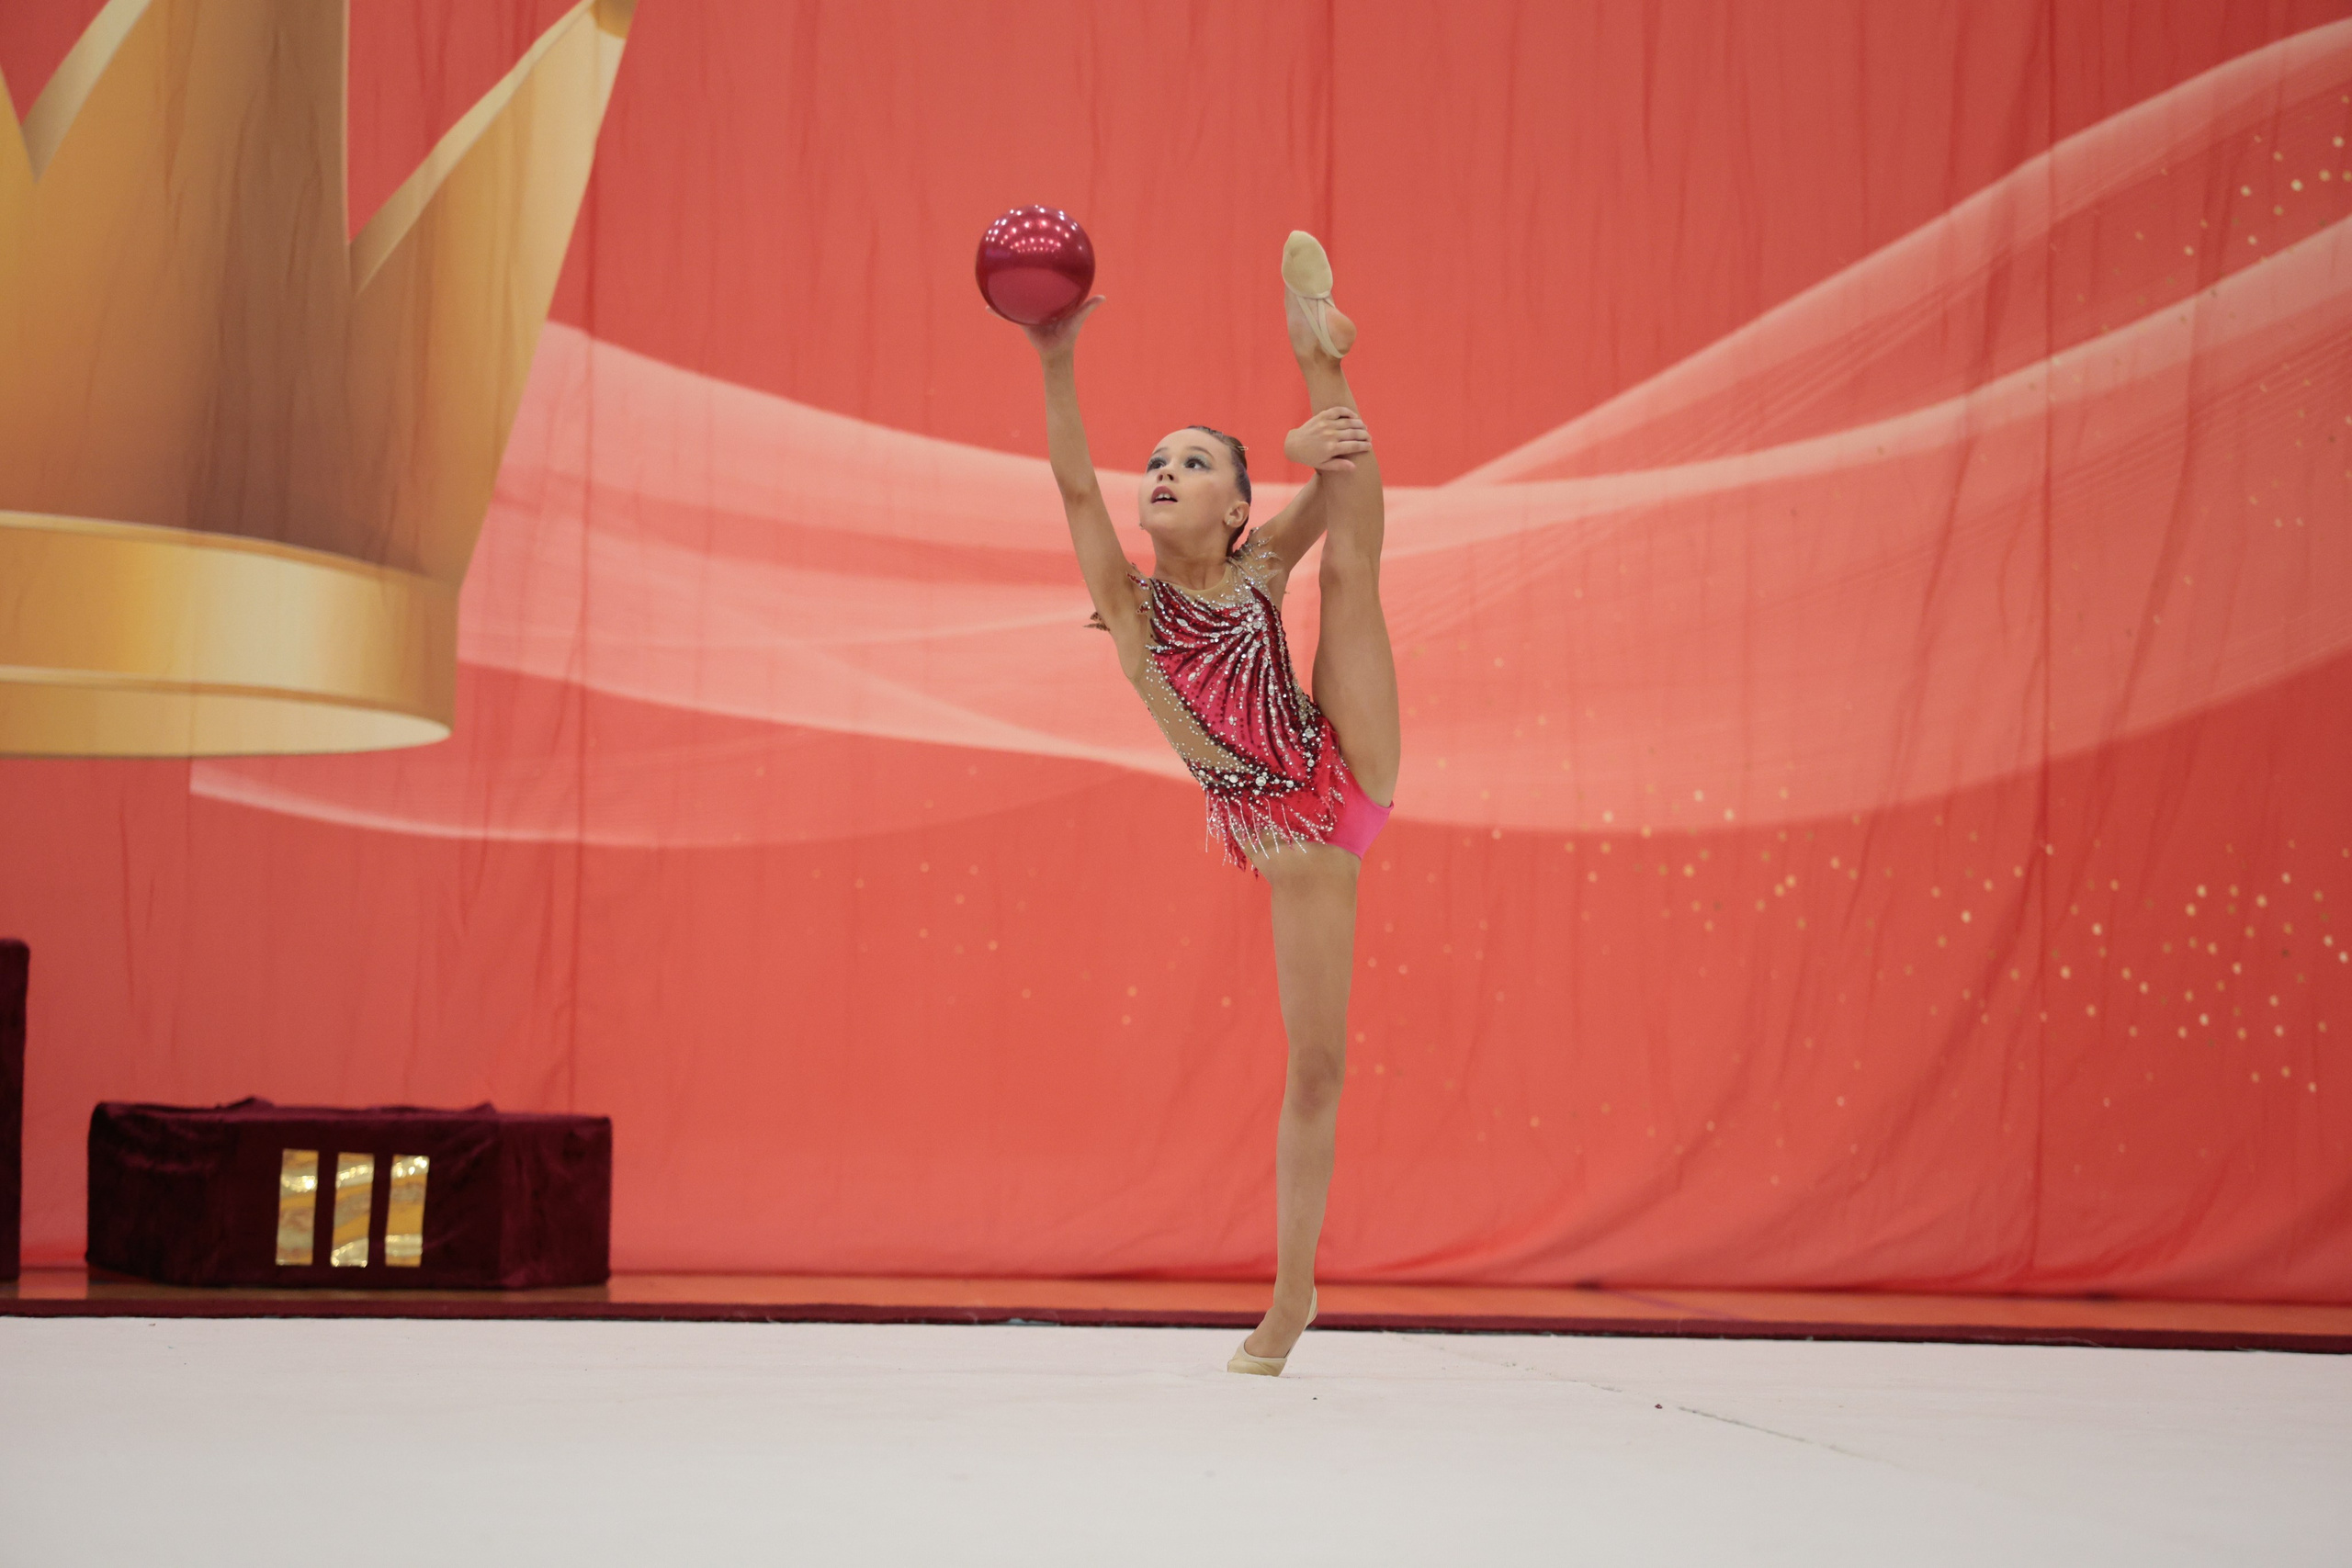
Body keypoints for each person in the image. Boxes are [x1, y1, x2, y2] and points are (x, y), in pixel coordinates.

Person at [1012, 231, 1400, 1376]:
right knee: (1316, 1067)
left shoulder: (1258, 568)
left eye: (1196, 463)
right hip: (1300, 835)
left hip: (1348, 760)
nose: (1164, 472)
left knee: (1354, 571)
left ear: (1238, 507)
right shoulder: (1131, 613)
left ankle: (1317, 349)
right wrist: (1051, 357)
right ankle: (1294, 1300)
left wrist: (1303, 437)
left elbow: (1342, 500)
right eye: (1159, 461)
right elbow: (1075, 482)